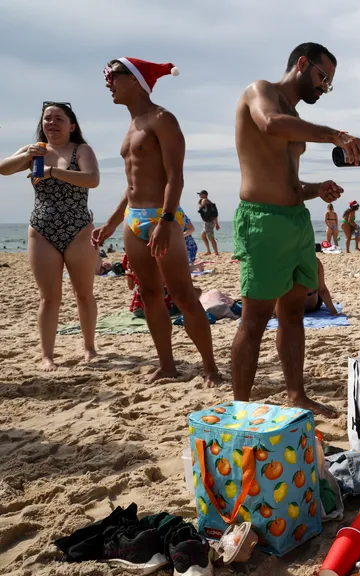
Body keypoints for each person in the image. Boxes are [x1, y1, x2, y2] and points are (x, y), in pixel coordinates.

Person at [231, 42, 360, 417]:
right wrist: (336, 135)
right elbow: (269, 124)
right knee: (254, 318)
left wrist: (315, 189)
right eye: (323, 77)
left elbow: (288, 181)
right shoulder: (261, 91)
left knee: (293, 315)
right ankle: (239, 408)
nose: (325, 88)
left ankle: (296, 394)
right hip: (262, 219)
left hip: (296, 221)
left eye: (330, 83)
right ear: (302, 63)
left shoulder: (295, 113)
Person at [92, 58, 221, 386]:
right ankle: (167, 365)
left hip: (161, 217)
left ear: (135, 80)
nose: (108, 82)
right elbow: (133, 184)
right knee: (148, 294)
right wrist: (110, 223)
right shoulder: (131, 126)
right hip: (133, 219)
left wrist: (165, 220)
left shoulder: (162, 119)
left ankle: (210, 367)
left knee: (182, 295)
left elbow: (175, 177)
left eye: (112, 76)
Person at [0, 102, 100, 370]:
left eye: (59, 118)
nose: (52, 123)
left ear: (72, 126)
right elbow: (3, 168)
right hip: (42, 229)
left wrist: (53, 171)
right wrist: (27, 157)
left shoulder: (82, 149)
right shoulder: (36, 150)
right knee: (48, 297)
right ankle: (47, 355)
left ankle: (89, 348)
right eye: (47, 119)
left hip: (78, 229)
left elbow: (91, 179)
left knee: (84, 294)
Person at [196, 190, 220, 255]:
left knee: (211, 237)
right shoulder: (210, 202)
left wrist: (198, 203)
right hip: (210, 222)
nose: (199, 195)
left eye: (200, 194)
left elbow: (200, 208)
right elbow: (215, 214)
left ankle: (216, 253)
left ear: (205, 195)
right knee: (203, 235)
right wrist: (217, 223)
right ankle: (209, 251)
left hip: (209, 222)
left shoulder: (204, 200)